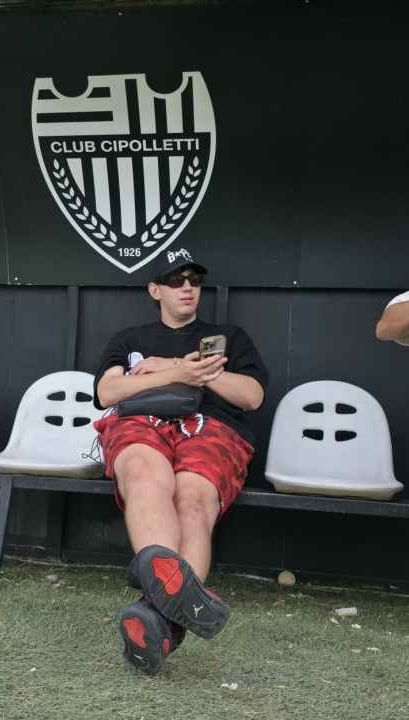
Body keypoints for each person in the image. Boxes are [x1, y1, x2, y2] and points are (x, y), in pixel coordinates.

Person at [93, 247, 268, 675]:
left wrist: (190, 369)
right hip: (143, 422)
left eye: (194, 280)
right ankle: (171, 615)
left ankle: (157, 616)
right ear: (155, 290)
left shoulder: (229, 336)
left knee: (191, 499)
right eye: (175, 280)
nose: (187, 287)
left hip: (212, 426)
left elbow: (252, 396)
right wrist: (177, 373)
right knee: (143, 472)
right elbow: (107, 393)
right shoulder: (130, 340)